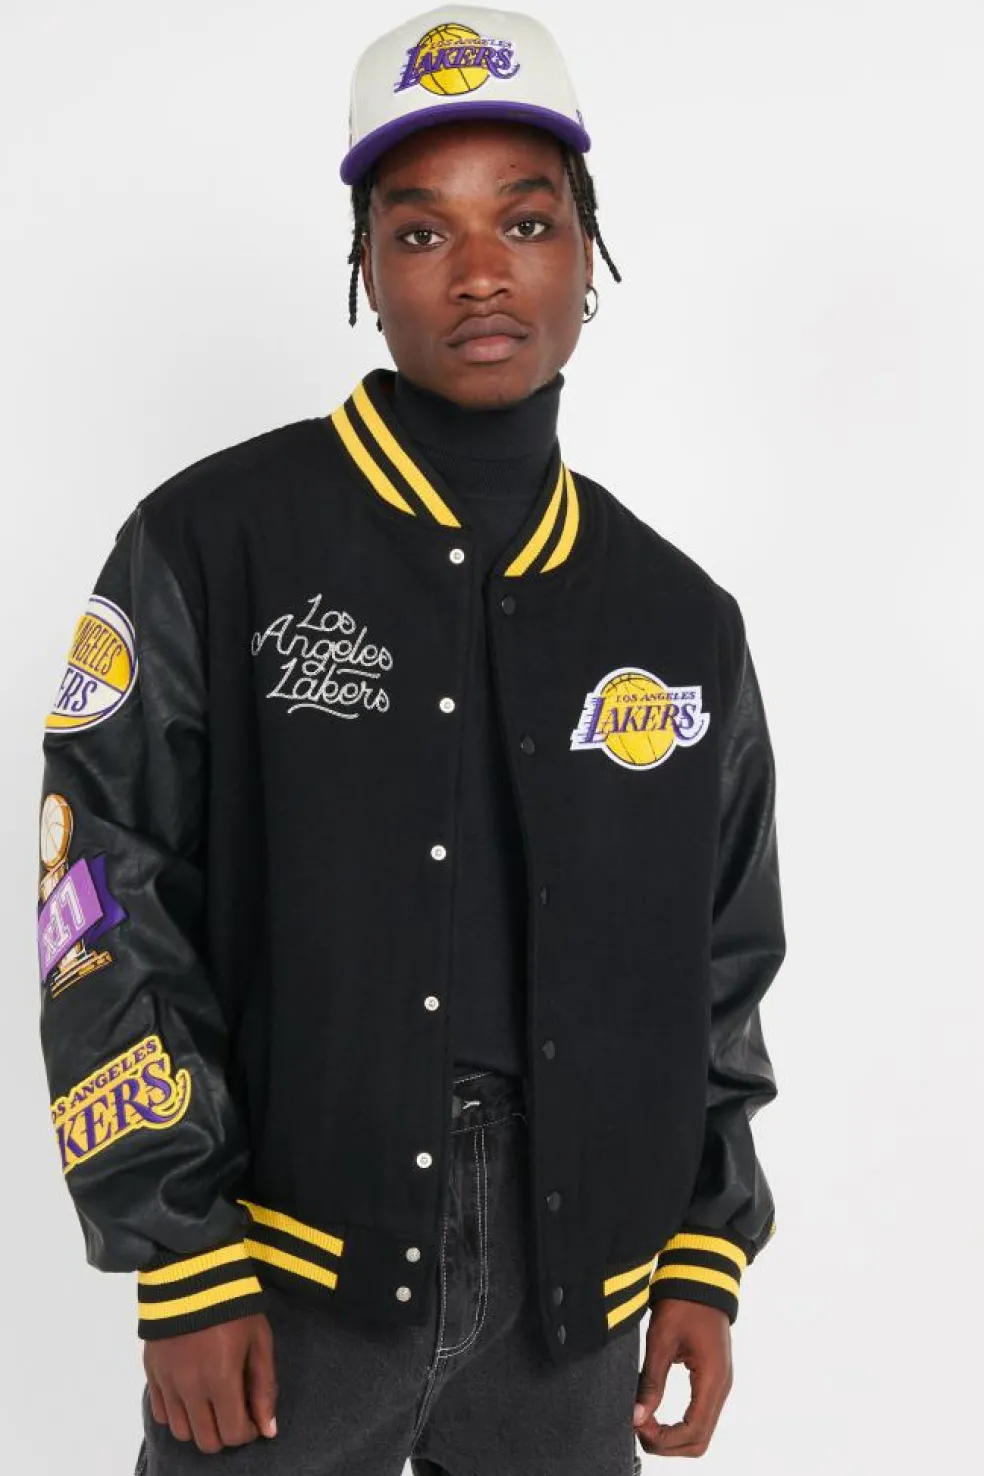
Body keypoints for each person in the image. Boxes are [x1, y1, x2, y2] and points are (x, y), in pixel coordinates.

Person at [36, 7, 786, 1473]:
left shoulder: (680, 616)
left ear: (590, 252)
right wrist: (178, 1250)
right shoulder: (211, 541)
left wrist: (706, 1245)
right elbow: (100, 899)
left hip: (577, 1302)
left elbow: (722, 955)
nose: (482, 271)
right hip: (288, 1273)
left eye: (528, 221)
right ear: (366, 268)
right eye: (422, 231)